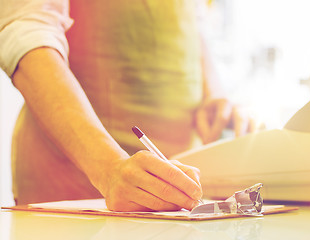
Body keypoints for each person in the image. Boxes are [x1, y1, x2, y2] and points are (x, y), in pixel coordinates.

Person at [0, 0, 250, 211]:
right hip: (74, 183)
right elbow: (27, 33)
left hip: (177, 190)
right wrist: (108, 167)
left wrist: (213, 93)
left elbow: (193, 21)